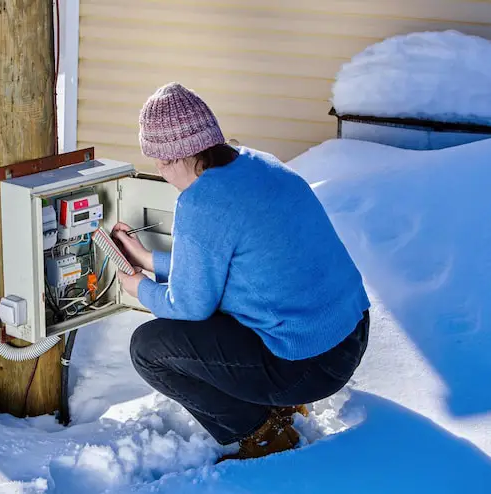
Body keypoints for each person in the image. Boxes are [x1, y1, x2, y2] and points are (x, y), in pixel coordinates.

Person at [111, 82, 370, 462]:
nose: (161, 172)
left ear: (170, 158)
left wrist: (140, 288)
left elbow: (189, 306)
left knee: (148, 349)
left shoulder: (202, 201)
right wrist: (151, 260)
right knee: (221, 320)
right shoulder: (258, 164)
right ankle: (278, 405)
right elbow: (232, 266)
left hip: (308, 364)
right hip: (349, 334)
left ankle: (261, 432)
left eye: (158, 162)